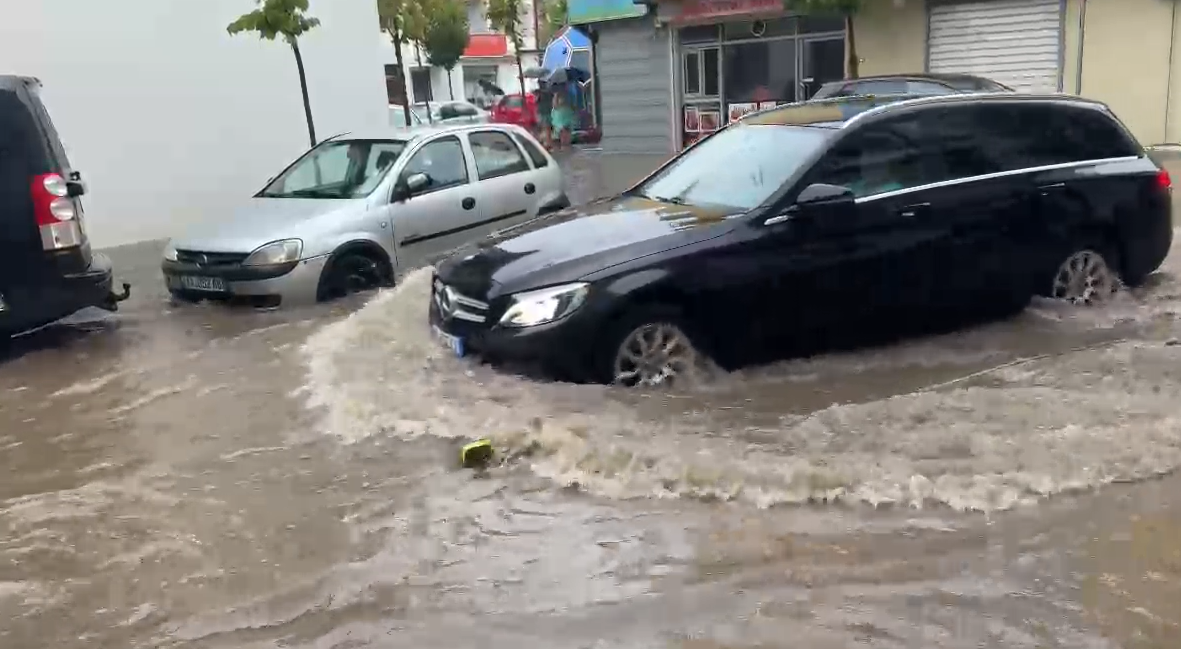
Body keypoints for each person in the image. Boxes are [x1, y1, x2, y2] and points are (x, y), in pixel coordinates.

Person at [535, 82, 553, 149]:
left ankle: (546, 143)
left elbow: (536, 101)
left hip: (542, 113)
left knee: (544, 128)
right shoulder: (550, 92)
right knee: (547, 129)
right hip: (548, 112)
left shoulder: (540, 93)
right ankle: (547, 142)